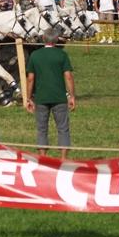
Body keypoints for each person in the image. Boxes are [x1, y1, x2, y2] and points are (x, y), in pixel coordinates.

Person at [25, 27, 76, 159]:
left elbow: (30, 79)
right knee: (63, 128)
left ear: (43, 39)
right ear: (57, 39)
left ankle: (42, 158)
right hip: (59, 97)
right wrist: (72, 96)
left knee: (42, 129)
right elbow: (68, 76)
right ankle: (63, 158)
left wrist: (28, 97)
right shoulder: (62, 55)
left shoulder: (35, 55)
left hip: (41, 97)